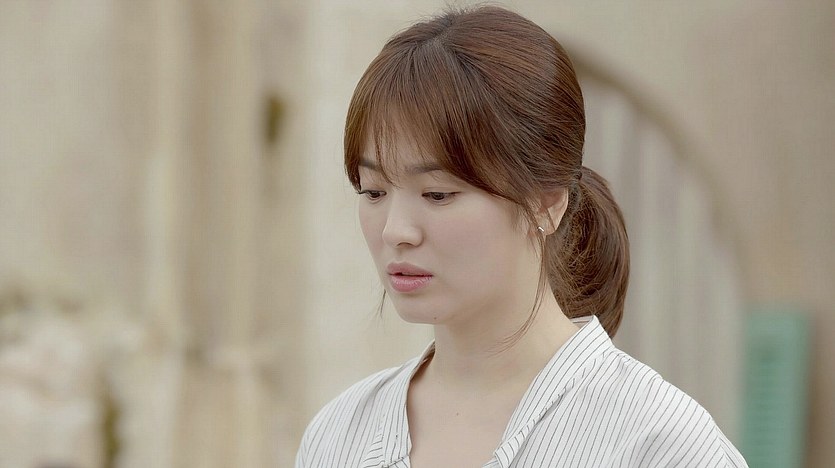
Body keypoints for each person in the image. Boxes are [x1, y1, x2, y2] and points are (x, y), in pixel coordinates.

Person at [296, 5, 748, 468]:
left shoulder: (660, 443)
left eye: (437, 194)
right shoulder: (340, 435)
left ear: (546, 203)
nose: (395, 231)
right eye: (373, 191)